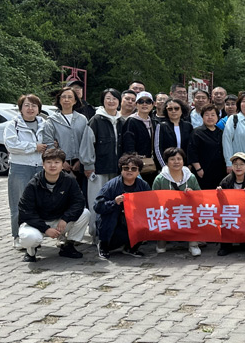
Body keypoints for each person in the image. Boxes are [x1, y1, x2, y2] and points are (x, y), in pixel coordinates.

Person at [18, 148, 90, 262]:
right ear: (43, 164)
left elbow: (78, 202)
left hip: (59, 221)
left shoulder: (69, 181)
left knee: (85, 213)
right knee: (30, 237)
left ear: (62, 165)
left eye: (57, 162)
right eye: (49, 162)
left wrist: (65, 218)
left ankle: (68, 245)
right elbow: (25, 212)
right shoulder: (33, 184)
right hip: (37, 223)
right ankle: (31, 251)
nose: (52, 165)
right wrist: (46, 229)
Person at [4, 94, 47, 250]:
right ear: (20, 108)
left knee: (39, 203)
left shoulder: (45, 124)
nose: (30, 108)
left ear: (38, 109)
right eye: (27, 105)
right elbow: (11, 145)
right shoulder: (13, 125)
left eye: (34, 106)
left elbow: (49, 143)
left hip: (40, 167)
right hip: (20, 167)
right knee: (18, 203)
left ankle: (35, 236)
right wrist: (34, 147)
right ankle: (17, 236)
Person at [94, 153, 151, 259]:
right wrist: (114, 202)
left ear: (138, 171)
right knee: (108, 215)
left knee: (147, 219)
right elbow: (97, 207)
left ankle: (131, 248)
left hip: (132, 220)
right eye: (126, 168)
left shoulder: (143, 185)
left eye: (134, 169)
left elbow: (150, 205)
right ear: (121, 170)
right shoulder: (111, 186)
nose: (129, 171)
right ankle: (103, 246)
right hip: (113, 221)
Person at [42, 86, 94, 197]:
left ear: (75, 101)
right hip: (60, 163)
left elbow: (86, 142)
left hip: (79, 164)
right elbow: (49, 143)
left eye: (70, 97)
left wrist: (81, 160)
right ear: (59, 100)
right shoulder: (51, 120)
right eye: (63, 97)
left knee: (80, 196)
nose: (66, 100)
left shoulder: (82, 119)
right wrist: (60, 161)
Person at [86, 89, 124, 239]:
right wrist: (88, 165)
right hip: (98, 169)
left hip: (116, 170)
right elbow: (87, 145)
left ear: (119, 102)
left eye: (114, 98)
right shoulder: (95, 120)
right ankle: (96, 233)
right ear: (103, 101)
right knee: (97, 201)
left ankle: (111, 233)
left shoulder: (122, 121)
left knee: (114, 202)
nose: (111, 101)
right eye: (108, 98)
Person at [152, 147, 202, 257]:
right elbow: (153, 199)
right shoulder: (160, 179)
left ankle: (193, 244)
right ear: (166, 162)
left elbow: (200, 196)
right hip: (166, 211)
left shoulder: (191, 177)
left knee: (195, 214)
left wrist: (192, 193)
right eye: (172, 159)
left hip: (186, 210)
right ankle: (161, 242)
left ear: (183, 161)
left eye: (179, 159)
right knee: (159, 215)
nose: (176, 162)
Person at [216, 152, 245, 256]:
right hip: (231, 212)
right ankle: (225, 246)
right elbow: (220, 203)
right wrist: (219, 193)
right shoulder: (226, 181)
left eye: (241, 164)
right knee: (225, 218)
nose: (238, 167)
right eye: (235, 164)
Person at [121, 92, 158, 183]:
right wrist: (134, 164)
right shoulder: (131, 121)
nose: (144, 104)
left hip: (150, 165)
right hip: (136, 165)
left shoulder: (154, 122)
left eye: (148, 101)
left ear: (152, 105)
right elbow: (128, 145)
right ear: (136, 104)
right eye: (141, 101)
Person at [188, 104, 226, 189]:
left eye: (213, 115)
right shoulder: (197, 133)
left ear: (217, 117)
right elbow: (192, 152)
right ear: (202, 117)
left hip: (219, 170)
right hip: (203, 170)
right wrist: (198, 169)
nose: (210, 117)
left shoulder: (221, 132)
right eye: (207, 115)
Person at [154, 96, 193, 169]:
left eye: (176, 108)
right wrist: (165, 167)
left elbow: (192, 147)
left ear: (182, 110)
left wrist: (190, 164)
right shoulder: (161, 126)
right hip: (167, 166)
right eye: (170, 109)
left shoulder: (188, 126)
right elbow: (157, 149)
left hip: (185, 167)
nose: (173, 111)